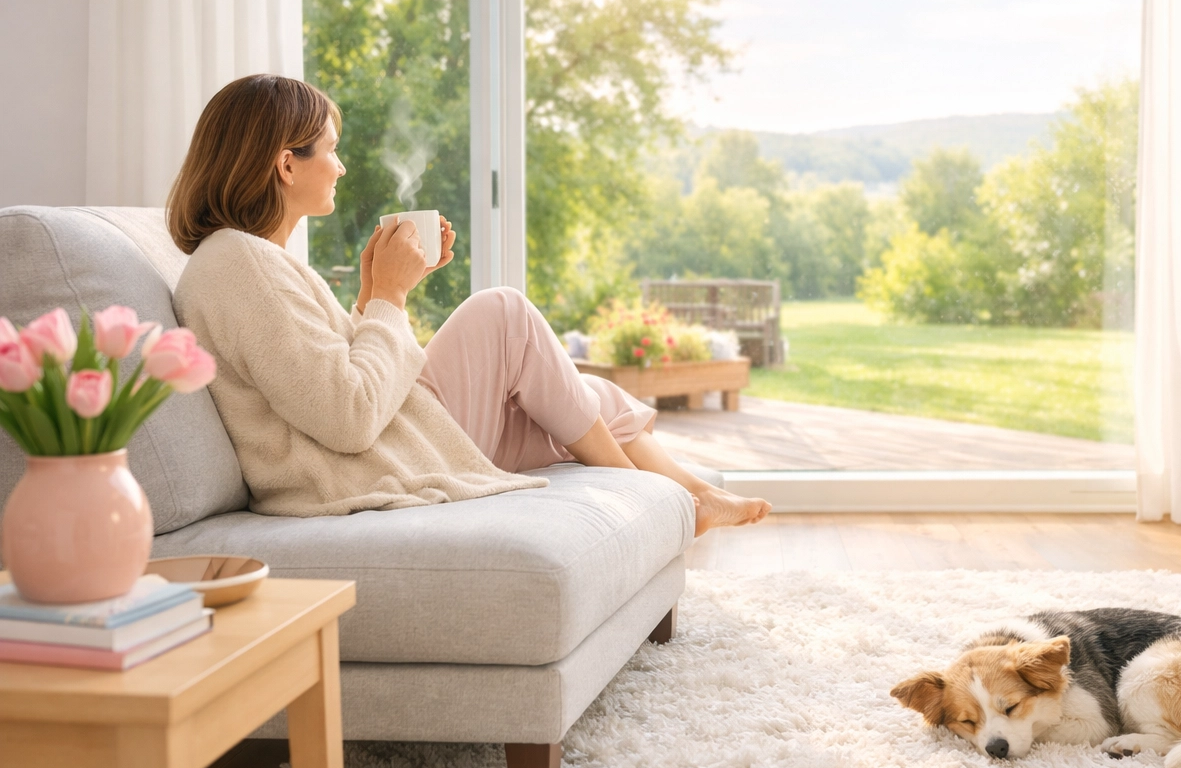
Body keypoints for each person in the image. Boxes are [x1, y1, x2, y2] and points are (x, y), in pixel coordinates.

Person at [169, 73, 771, 533]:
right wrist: (389, 296)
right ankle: (655, 504)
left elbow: (324, 380)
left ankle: (690, 496)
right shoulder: (238, 264)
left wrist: (367, 299)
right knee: (504, 313)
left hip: (391, 438)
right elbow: (348, 417)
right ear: (284, 164)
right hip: (372, 460)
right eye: (330, 149)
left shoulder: (247, 262)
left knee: (585, 394)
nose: (342, 165)